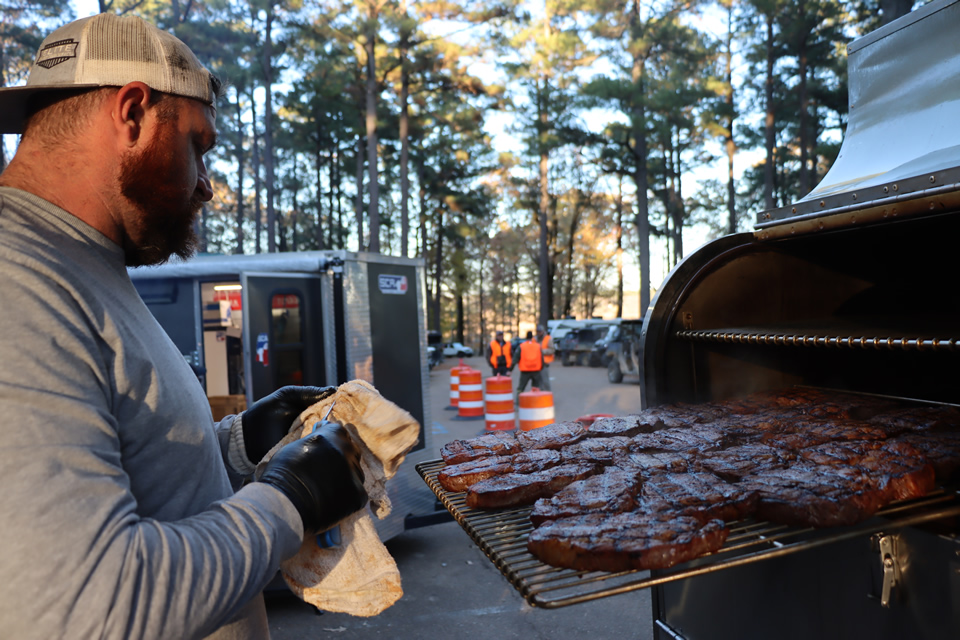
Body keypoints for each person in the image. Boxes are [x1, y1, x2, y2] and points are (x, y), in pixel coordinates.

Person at [0, 14, 368, 640]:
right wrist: (290, 500)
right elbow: (86, 604)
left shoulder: (81, 263)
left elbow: (135, 469)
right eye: (198, 144)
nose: (207, 185)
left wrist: (238, 448)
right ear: (134, 112)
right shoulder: (18, 285)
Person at [511, 330, 544, 403]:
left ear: (526, 337)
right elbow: (541, 358)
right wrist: (541, 367)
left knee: (521, 388)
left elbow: (515, 358)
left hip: (525, 371)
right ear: (532, 337)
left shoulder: (522, 346)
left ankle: (518, 402)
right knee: (536, 387)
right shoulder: (537, 346)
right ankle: (536, 402)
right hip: (536, 370)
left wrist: (510, 369)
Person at [536, 324, 554, 390]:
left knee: (545, 381)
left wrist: (543, 351)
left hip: (544, 363)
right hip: (536, 363)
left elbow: (552, 350)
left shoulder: (548, 338)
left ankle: (548, 395)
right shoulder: (534, 339)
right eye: (537, 331)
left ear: (543, 331)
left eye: (540, 331)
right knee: (538, 381)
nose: (539, 333)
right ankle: (540, 396)